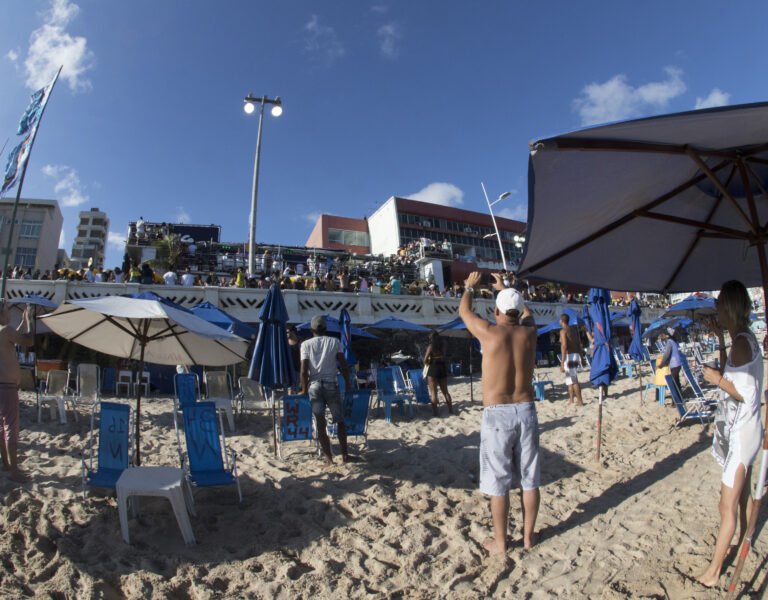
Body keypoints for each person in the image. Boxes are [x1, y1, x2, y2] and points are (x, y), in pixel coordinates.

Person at [460, 271, 539, 554]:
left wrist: (470, 287)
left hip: (497, 412)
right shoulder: (531, 332)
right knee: (530, 479)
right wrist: (507, 288)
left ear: (496, 311)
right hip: (526, 408)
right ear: (518, 311)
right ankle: (529, 537)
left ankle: (502, 542)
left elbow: (464, 311)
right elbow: (527, 312)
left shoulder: (489, 332)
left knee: (499, 481)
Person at [696, 280, 764, 587]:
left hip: (742, 433)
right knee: (739, 499)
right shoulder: (741, 339)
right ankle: (742, 544)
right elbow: (738, 371)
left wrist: (715, 379)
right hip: (747, 429)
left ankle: (713, 572)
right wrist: (722, 337)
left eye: (720, 303)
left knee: (727, 505)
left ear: (731, 307)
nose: (716, 308)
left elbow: (745, 394)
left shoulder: (742, 342)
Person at [300, 316, 352, 465]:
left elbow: (304, 370)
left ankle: (329, 457)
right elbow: (344, 365)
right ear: (326, 329)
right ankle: (345, 455)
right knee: (340, 421)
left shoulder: (305, 344)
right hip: (331, 384)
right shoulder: (334, 342)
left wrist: (303, 389)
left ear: (311, 330)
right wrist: (348, 384)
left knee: (320, 423)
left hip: (314, 386)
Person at [0, 301, 34, 482]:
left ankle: (6, 463)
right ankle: (14, 470)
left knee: (1, 428)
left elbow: (12, 338)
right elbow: (29, 341)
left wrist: (21, 324)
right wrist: (29, 321)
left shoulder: (3, 332)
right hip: (6, 386)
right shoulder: (6, 331)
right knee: (11, 427)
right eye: (7, 311)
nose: (9, 315)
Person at [423, 331, 453, 416]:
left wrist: (428, 361)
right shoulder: (443, 346)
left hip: (433, 368)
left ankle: (436, 413)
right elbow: (443, 356)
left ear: (431, 338)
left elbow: (425, 360)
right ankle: (451, 410)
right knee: (445, 392)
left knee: (433, 393)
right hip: (442, 368)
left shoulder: (430, 347)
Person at [559, 313, 584, 406]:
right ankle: (571, 400)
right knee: (569, 379)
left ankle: (580, 401)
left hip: (569, 356)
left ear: (561, 321)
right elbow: (578, 345)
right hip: (576, 354)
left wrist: (562, 362)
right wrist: (582, 358)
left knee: (573, 379)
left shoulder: (563, 331)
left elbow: (564, 346)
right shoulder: (573, 330)